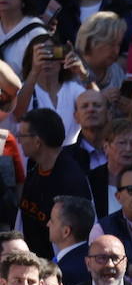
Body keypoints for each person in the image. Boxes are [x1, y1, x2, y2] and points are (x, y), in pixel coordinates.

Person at [17, 109, 93, 260]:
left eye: (22, 136)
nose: (19, 141)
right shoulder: (35, 169)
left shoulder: (71, 181)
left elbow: (73, 241)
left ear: (37, 142)